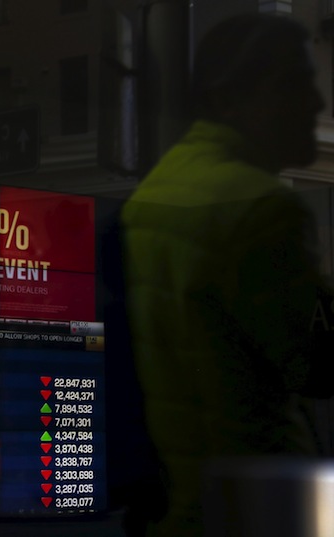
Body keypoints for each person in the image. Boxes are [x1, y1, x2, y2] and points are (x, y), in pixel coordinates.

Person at [120, 13, 334, 537]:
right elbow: (320, 366)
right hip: (264, 507)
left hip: (182, 508)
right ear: (227, 99)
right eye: (293, 84)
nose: (317, 103)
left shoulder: (150, 197)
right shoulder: (262, 208)